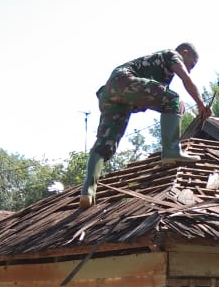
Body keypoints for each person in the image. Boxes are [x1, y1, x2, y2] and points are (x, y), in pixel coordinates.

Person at [80, 43, 212, 208]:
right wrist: (201, 103)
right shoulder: (172, 55)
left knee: (106, 144)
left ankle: (87, 191)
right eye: (191, 65)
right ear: (184, 53)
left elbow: (154, 96)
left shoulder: (158, 69)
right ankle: (171, 151)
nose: (190, 69)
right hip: (124, 80)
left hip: (110, 93)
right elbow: (185, 79)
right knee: (173, 99)